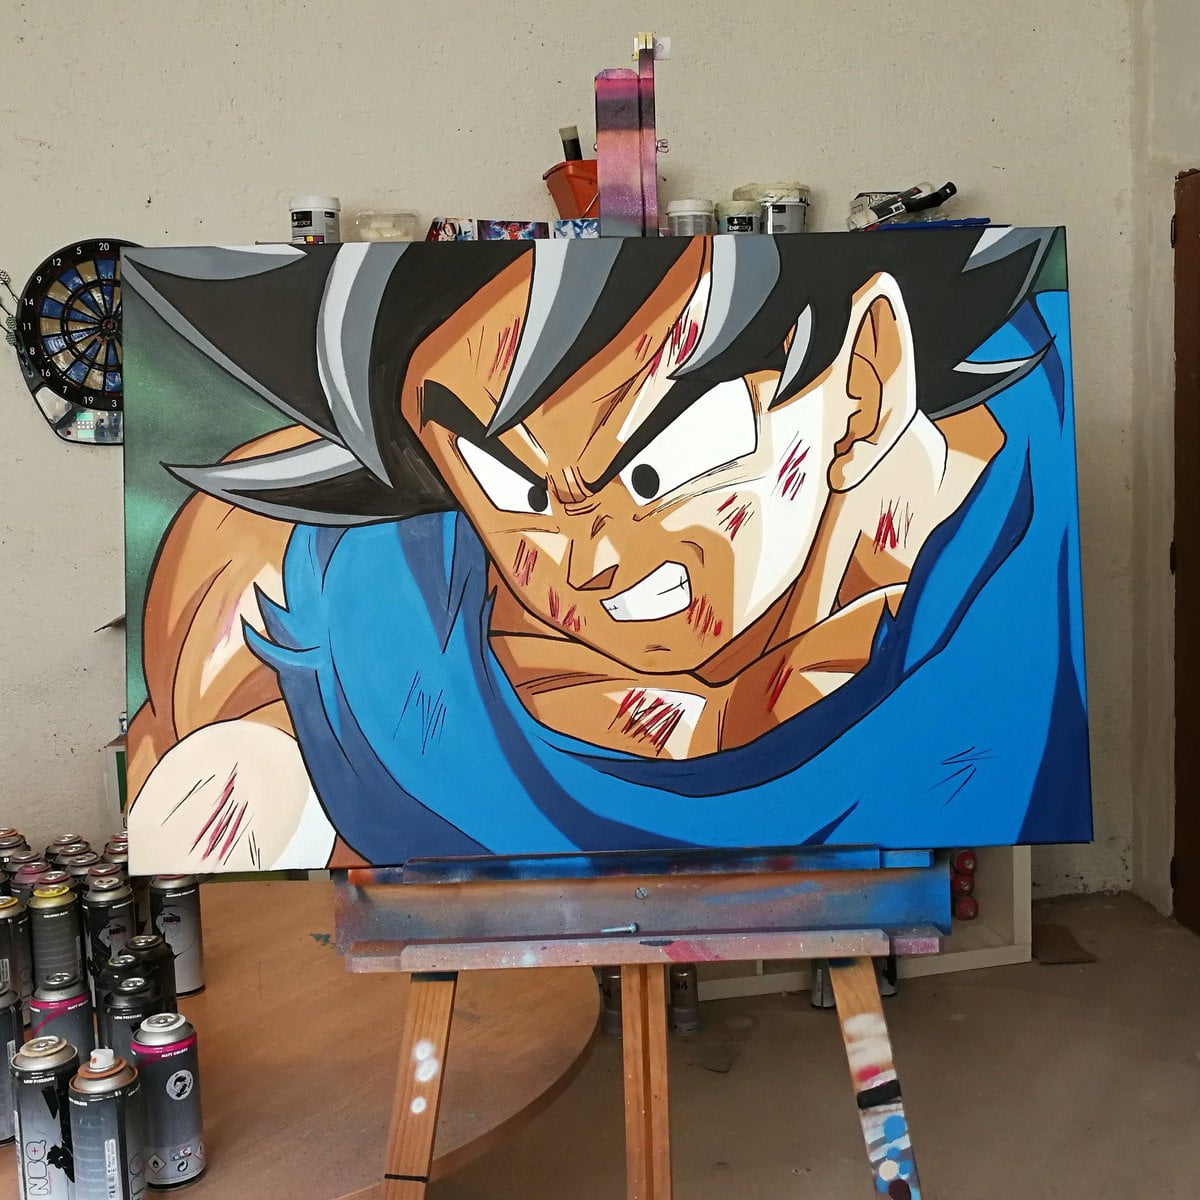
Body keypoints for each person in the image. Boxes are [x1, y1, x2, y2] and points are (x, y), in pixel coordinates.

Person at [124, 229, 1090, 870]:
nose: (588, 561)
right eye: (514, 490)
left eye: (655, 473)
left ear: (865, 382)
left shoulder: (1028, 545)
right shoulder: (341, 603)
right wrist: (263, 769)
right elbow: (220, 750)